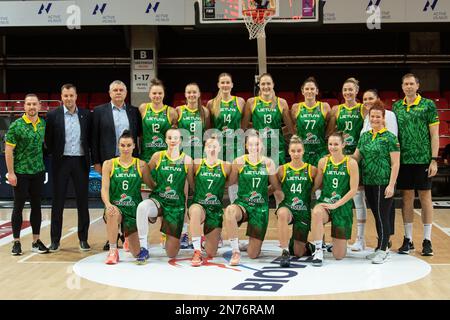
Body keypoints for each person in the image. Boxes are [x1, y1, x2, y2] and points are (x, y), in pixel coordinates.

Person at [393, 73, 440, 256]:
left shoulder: (428, 105)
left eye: (412, 83)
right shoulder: (397, 106)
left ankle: (427, 240)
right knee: (406, 199)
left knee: (425, 197)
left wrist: (434, 159)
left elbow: (435, 134)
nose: (409, 87)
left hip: (423, 160)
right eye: (406, 84)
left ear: (417, 85)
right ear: (402, 86)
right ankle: (408, 239)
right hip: (404, 160)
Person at [91, 80, 141, 250]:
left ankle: (126, 235)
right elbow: (94, 139)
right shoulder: (99, 111)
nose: (118, 92)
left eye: (121, 90)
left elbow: (138, 137)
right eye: (115, 90)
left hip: (129, 162)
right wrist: (96, 162)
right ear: (110, 93)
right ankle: (112, 237)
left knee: (128, 199)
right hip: (109, 162)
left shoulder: (134, 111)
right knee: (110, 201)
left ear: (126, 93)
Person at [134, 128, 194, 264]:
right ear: (166, 140)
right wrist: (153, 186)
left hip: (176, 207)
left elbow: (192, 185)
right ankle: (143, 247)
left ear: (181, 141)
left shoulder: (187, 160)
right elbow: (146, 171)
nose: (173, 140)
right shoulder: (158, 156)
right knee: (142, 207)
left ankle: (168, 232)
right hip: (159, 200)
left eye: (176, 138)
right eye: (170, 138)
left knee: (171, 254)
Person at [44, 84, 91, 252]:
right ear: (61, 97)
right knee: (57, 202)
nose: (69, 99)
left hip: (80, 161)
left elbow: (89, 139)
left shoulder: (86, 115)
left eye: (71, 95)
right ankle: (55, 240)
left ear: (76, 96)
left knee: (82, 202)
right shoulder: (52, 115)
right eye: (66, 96)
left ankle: (83, 239)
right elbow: (48, 141)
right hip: (61, 162)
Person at [223, 131, 280, 266]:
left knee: (253, 254)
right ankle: (235, 251)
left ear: (262, 146)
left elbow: (276, 186)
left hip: (260, 208)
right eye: (251, 144)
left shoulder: (268, 163)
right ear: (246, 146)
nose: (254, 147)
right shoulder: (239, 162)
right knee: (230, 210)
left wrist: (263, 192)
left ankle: (250, 244)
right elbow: (230, 183)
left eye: (257, 144)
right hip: (243, 204)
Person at [353, 101, 400, 264]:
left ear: (383, 117)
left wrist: (391, 185)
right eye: (372, 116)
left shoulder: (390, 138)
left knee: (382, 217)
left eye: (378, 116)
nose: (374, 119)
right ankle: (380, 247)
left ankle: (384, 250)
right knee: (377, 216)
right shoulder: (365, 136)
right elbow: (356, 157)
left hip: (383, 182)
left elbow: (395, 163)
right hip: (369, 181)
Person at [5, 94, 49, 255]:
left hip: (37, 172)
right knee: (18, 207)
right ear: (24, 106)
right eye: (29, 104)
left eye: (34, 104)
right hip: (20, 172)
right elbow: (8, 151)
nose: (31, 107)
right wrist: (11, 173)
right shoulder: (16, 125)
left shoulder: (43, 124)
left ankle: (36, 241)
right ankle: (16, 242)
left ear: (39, 106)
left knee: (37, 206)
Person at [327, 77, 367, 252]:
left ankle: (360, 238)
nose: (348, 92)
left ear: (357, 91)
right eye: (345, 89)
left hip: (357, 157)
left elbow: (366, 133)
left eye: (351, 89)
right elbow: (330, 132)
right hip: (341, 157)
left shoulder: (362, 108)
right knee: (339, 194)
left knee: (358, 197)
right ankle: (335, 237)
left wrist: (356, 155)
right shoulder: (337, 109)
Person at [101, 130, 152, 264]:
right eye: (123, 145)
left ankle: (128, 239)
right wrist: (108, 204)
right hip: (116, 207)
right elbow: (104, 188)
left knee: (137, 254)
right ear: (118, 146)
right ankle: (113, 251)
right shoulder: (109, 164)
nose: (125, 148)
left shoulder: (141, 165)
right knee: (111, 213)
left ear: (134, 146)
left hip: (133, 211)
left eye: (129, 145)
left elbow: (152, 185)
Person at [309, 132, 359, 266]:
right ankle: (318, 249)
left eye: (336, 144)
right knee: (317, 212)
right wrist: (309, 194)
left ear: (343, 144)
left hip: (342, 206)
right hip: (326, 202)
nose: (333, 147)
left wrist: (337, 204)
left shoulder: (351, 163)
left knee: (339, 256)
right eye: (330, 144)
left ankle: (335, 244)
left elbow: (353, 190)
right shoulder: (323, 162)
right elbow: (317, 185)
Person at [176, 83, 210, 248]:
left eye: (194, 92)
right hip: (182, 159)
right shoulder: (179, 111)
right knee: (182, 197)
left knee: (200, 196)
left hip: (199, 159)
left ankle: (202, 233)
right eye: (188, 92)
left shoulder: (205, 112)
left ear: (198, 94)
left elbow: (209, 133)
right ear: (185, 94)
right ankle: (183, 233)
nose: (191, 95)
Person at [188, 136, 231, 266]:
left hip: (215, 210)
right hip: (199, 206)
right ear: (204, 149)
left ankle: (208, 238)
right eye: (209, 146)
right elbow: (191, 182)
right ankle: (197, 251)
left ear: (219, 149)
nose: (212, 149)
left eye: (215, 147)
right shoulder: (196, 163)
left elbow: (230, 182)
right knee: (195, 210)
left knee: (211, 252)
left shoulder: (226, 166)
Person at [275, 135, 317, 267]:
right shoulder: (282, 170)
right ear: (289, 152)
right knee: (281, 213)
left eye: (299, 151)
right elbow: (275, 188)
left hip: (303, 210)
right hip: (288, 207)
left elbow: (317, 187)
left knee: (298, 252)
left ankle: (306, 245)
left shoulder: (312, 170)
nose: (296, 154)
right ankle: (285, 251)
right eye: (293, 151)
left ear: (303, 151)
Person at [207, 72, 245, 204]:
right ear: (218, 85)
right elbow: (210, 127)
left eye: (227, 82)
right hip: (219, 148)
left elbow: (244, 125)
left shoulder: (239, 101)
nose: (225, 85)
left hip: (235, 146)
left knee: (235, 178)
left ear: (232, 84)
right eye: (222, 82)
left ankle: (236, 207)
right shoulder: (212, 103)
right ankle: (214, 207)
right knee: (218, 177)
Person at [242, 73, 295, 167]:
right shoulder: (251, 102)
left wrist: (278, 131)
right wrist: (254, 130)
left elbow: (291, 128)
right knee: (262, 178)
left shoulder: (282, 102)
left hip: (277, 146)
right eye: (263, 84)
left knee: (277, 177)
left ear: (273, 84)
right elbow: (243, 126)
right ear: (259, 85)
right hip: (259, 147)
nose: (266, 86)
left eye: (268, 83)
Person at [291, 77, 331, 167]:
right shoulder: (296, 107)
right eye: (307, 89)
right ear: (302, 91)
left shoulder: (324, 107)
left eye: (312, 89)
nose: (309, 91)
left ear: (317, 91)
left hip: (320, 151)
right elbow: (294, 127)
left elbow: (329, 126)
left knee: (320, 180)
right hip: (302, 152)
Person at [139, 78, 178, 163]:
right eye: (154, 93)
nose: (157, 96)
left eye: (160, 93)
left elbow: (175, 136)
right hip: (146, 155)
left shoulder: (171, 111)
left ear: (164, 94)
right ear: (149, 94)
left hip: (164, 156)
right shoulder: (143, 108)